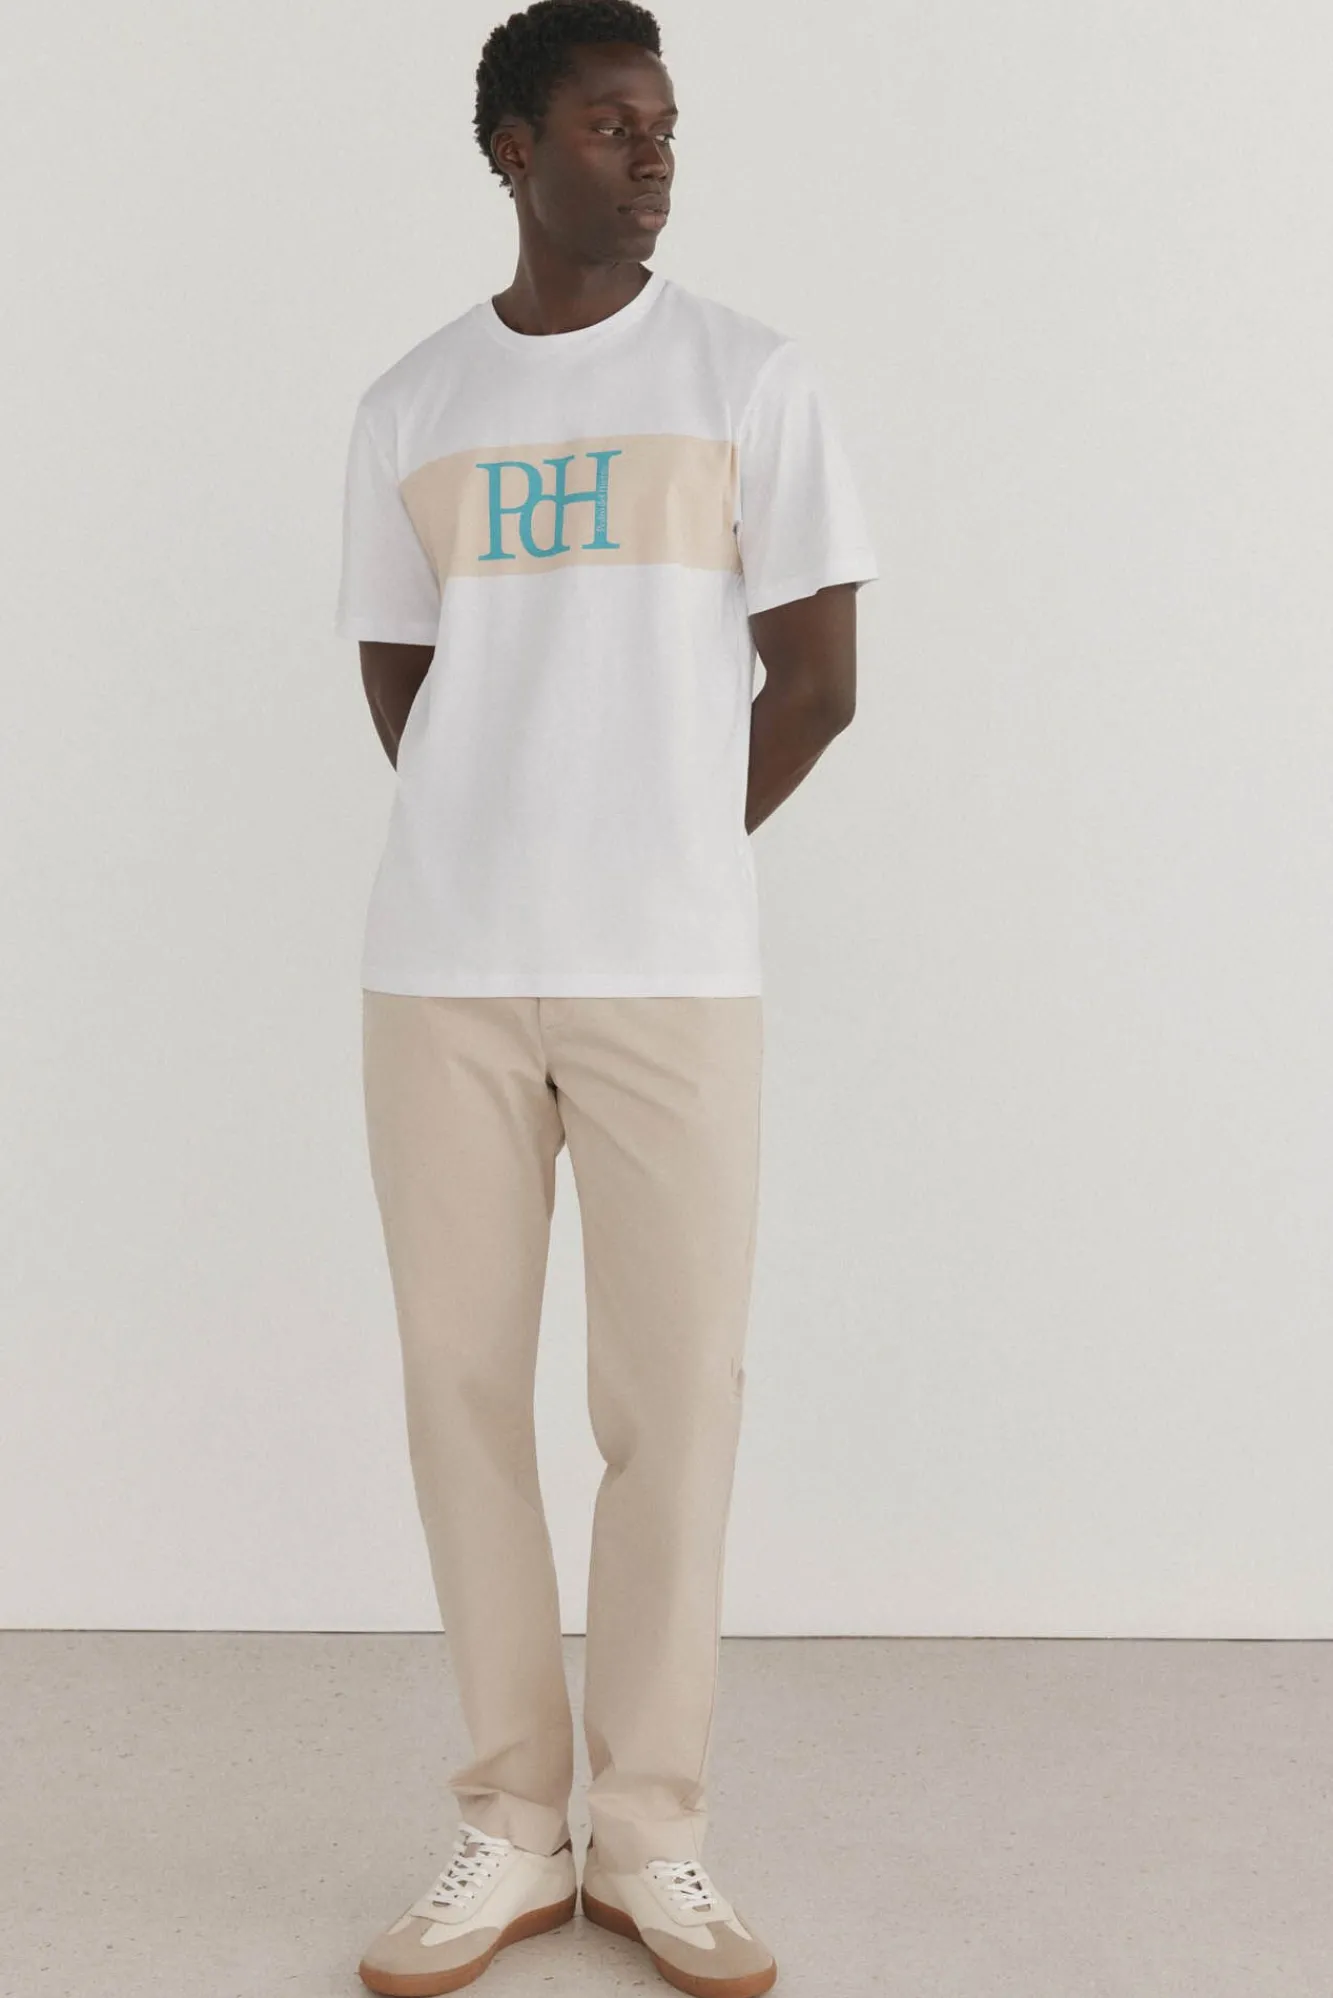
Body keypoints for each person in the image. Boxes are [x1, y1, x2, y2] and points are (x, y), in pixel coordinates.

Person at [336, 4, 878, 1991]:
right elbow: (406, 680)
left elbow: (819, 682)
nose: (650, 155)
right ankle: (510, 1828)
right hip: (445, 977)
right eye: (604, 124)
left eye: (662, 122)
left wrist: (656, 846)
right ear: (511, 148)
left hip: (674, 977)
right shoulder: (412, 402)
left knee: (676, 1402)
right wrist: (511, 831)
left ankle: (652, 1836)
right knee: (462, 1392)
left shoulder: (750, 377)